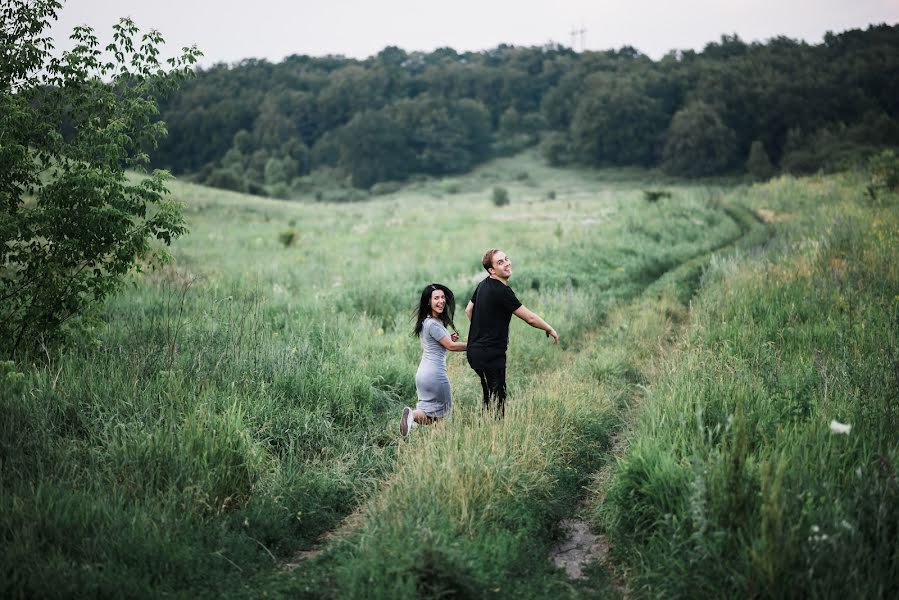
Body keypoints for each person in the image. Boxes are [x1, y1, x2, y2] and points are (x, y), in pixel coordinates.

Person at [465, 249, 558, 418]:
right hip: (490, 353)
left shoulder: (483, 284)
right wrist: (548, 328)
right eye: (500, 262)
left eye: (506, 259)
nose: (507, 263)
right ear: (492, 270)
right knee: (498, 399)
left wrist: (481, 330)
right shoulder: (502, 291)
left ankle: (486, 427)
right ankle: (493, 433)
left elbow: (468, 309)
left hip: (475, 351)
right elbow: (529, 318)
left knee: (490, 395)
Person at [400, 283, 467, 436]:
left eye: (443, 297)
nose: (441, 301)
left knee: (430, 417)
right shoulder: (433, 324)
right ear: (428, 302)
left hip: (422, 375)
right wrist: (475, 346)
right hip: (436, 376)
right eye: (436, 298)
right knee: (444, 416)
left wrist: (447, 338)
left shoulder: (426, 322)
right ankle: (436, 448)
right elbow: (451, 347)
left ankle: (412, 415)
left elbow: (428, 347)